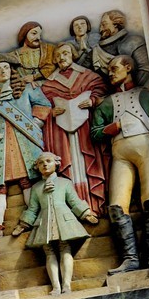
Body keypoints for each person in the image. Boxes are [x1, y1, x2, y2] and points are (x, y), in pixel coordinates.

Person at [90, 54, 149, 272]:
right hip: (120, 153)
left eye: (114, 68)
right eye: (109, 71)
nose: (111, 73)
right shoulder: (106, 103)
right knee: (115, 206)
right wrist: (112, 128)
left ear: (128, 67)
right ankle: (130, 259)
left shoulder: (147, 95)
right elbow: (95, 133)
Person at [0, 58, 51, 235]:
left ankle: (35, 217)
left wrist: (35, 123)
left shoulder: (27, 89)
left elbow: (44, 105)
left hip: (24, 142)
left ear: (12, 71)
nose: (3, 71)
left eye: (6, 68)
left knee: (27, 180)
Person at [12, 151, 98, 295]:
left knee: (65, 248)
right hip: (44, 221)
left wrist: (86, 213)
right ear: (37, 167)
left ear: (56, 164)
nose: (45, 164)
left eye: (48, 161)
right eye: (41, 162)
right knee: (49, 252)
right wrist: (23, 224)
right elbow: (33, 208)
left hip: (63, 219)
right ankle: (56, 287)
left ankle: (66, 285)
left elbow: (74, 201)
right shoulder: (36, 187)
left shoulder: (65, 183)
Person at [39, 41, 108, 216]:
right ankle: (76, 208)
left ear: (73, 55)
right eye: (58, 55)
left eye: (65, 53)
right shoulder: (49, 84)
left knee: (87, 163)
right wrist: (51, 112)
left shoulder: (87, 75)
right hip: (63, 133)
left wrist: (92, 100)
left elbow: (100, 89)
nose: (62, 57)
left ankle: (94, 204)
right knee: (70, 164)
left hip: (85, 127)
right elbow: (41, 104)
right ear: (54, 60)